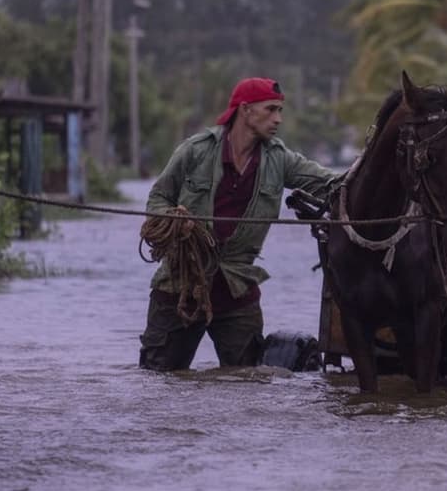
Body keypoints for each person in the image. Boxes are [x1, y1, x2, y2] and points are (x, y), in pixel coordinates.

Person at [139, 77, 339, 371]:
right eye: (271, 110)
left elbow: (331, 185)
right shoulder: (194, 151)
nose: (278, 119)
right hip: (180, 287)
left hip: (237, 292)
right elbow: (157, 200)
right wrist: (173, 219)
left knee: (246, 385)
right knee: (159, 381)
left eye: (280, 111)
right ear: (245, 110)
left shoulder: (280, 160)